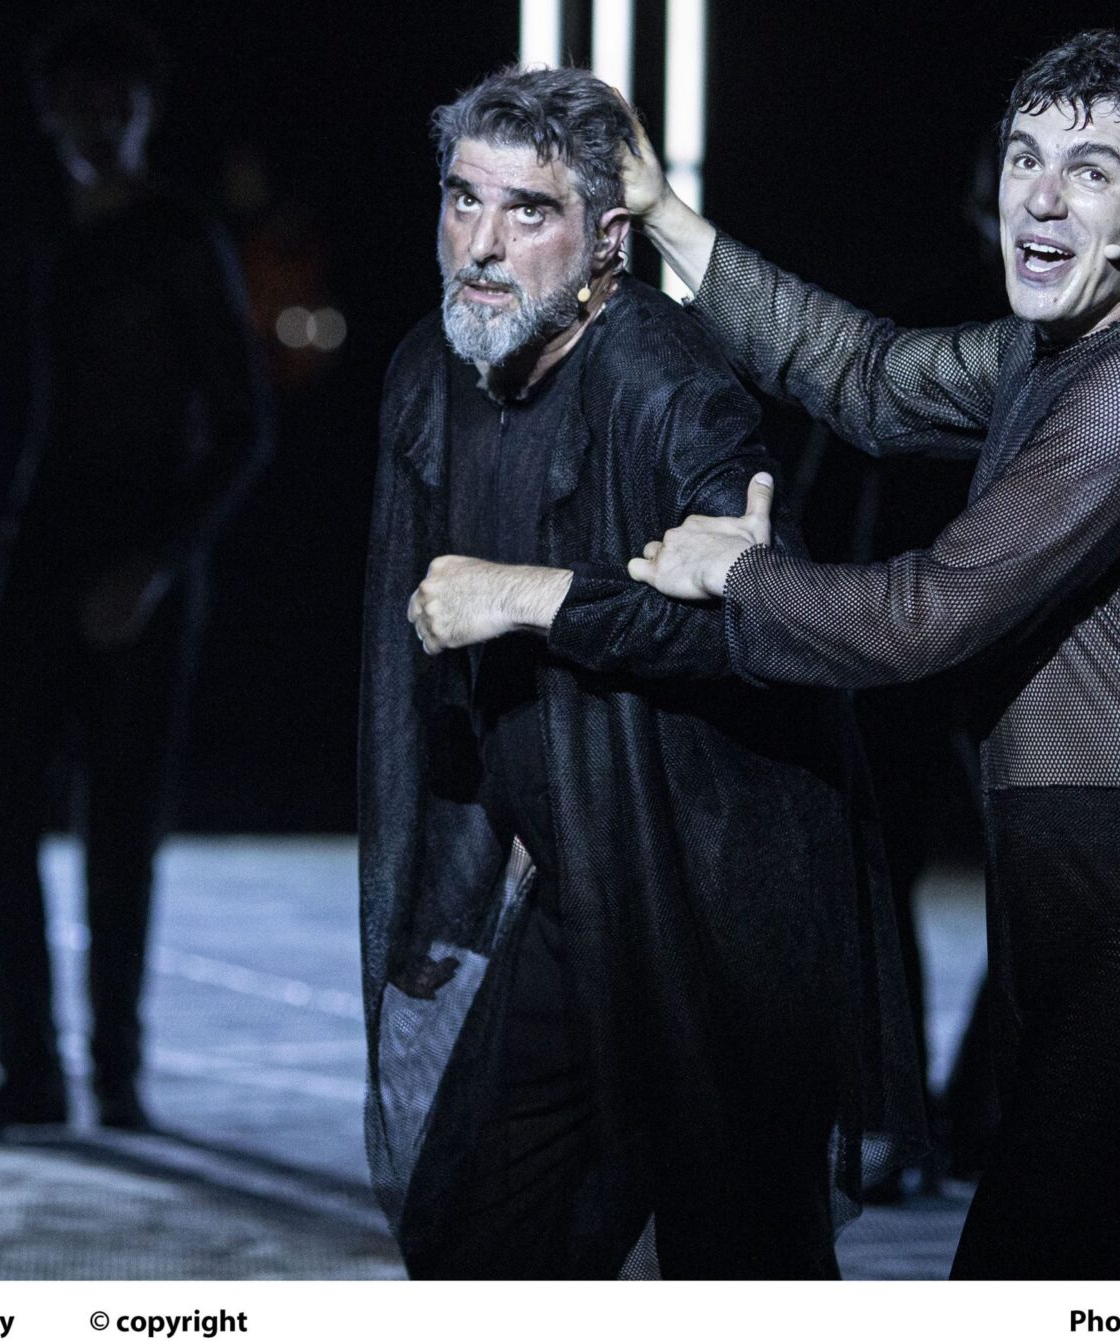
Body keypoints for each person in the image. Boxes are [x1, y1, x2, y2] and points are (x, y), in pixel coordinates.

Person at [622, 30, 1120, 1278]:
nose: (1042, 198)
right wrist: (662, 215)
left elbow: (930, 612)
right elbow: (862, 374)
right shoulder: (1051, 356)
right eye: (1025, 158)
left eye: (1090, 170)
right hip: (1100, 926)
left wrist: (736, 575)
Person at [361, 65, 919, 1279]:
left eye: (529, 211)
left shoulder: (668, 384)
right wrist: (447, 885)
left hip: (722, 904)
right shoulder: (434, 373)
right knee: (477, 1244)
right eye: (463, 200)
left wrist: (532, 595)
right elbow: (431, 668)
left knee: (742, 1265)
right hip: (585, 888)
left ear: (608, 241)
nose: (481, 245)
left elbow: (762, 631)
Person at [0, 13, 272, 1140]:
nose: (98, 121)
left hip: (142, 564)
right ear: (50, 112)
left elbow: (243, 426)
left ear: (145, 113)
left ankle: (116, 1071)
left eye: (117, 102)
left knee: (120, 824)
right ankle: (29, 1071)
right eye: (79, 101)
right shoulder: (31, 235)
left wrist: (156, 563)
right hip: (38, 551)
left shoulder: (177, 238)